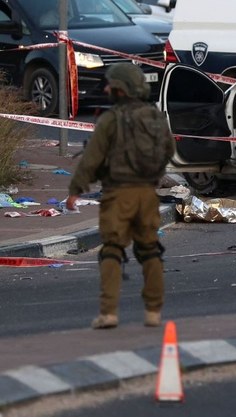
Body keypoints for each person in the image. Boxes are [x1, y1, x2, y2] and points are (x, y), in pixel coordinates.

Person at [66, 63, 175, 330]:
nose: (106, 89)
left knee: (112, 251)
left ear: (121, 89)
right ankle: (153, 312)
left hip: (118, 195)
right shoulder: (155, 116)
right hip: (148, 195)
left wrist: (75, 191)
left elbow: (91, 159)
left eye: (110, 84)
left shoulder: (110, 120)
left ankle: (109, 313)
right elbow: (169, 149)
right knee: (150, 251)